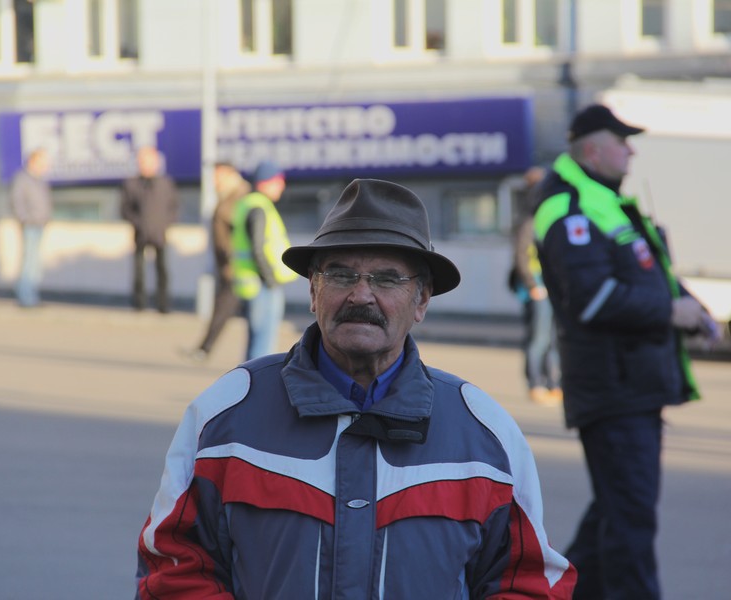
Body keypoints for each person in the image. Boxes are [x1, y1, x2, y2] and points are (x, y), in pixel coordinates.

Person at [135, 178, 577, 599]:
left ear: (422, 300)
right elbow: (172, 569)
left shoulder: (484, 434)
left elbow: (528, 583)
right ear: (314, 290)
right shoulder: (225, 414)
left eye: (387, 278)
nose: (361, 296)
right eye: (342, 275)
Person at [531, 104, 719, 600]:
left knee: (614, 516)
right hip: (613, 391)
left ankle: (555, 595)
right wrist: (669, 311)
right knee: (629, 523)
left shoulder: (604, 201)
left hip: (630, 386)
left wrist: (693, 309)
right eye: (622, 142)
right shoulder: (568, 208)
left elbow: (648, 275)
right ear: (593, 150)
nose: (631, 152)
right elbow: (592, 298)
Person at [182, 162, 251, 361]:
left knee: (227, 309)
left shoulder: (242, 197)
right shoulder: (228, 195)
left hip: (237, 267)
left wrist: (232, 258)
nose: (214, 181)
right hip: (227, 265)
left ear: (230, 174)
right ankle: (205, 349)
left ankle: (206, 349)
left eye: (218, 176)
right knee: (224, 309)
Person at [230, 160, 297, 360]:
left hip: (254, 283)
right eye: (278, 181)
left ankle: (247, 377)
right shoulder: (258, 207)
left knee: (256, 341)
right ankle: (257, 380)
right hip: (263, 285)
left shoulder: (249, 204)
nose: (282, 186)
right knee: (262, 345)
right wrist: (270, 279)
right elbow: (257, 249)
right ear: (265, 182)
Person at [509, 166, 562, 406]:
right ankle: (536, 384)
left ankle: (553, 384)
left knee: (552, 338)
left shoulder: (546, 218)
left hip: (552, 285)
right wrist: (533, 285)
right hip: (538, 286)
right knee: (539, 338)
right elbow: (521, 256)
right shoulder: (529, 221)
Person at [120, 145, 179, 313]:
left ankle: (163, 304)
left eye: (149, 161)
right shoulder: (131, 184)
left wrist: (164, 224)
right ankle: (139, 303)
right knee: (139, 271)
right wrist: (139, 223)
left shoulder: (166, 183)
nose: (146, 165)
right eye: (143, 161)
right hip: (140, 233)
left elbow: (173, 207)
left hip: (160, 233)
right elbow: (125, 209)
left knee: (162, 270)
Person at [9, 148, 52, 308]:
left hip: (40, 224)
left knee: (35, 263)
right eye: (42, 161)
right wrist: (25, 219)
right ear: (33, 161)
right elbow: (17, 201)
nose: (46, 165)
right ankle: (25, 297)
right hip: (30, 225)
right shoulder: (23, 179)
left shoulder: (39, 180)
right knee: (29, 261)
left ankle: (32, 295)